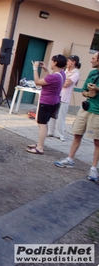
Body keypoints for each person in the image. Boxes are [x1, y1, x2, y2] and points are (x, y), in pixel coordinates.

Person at [54, 52, 99, 182]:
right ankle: (70, 159)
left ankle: (94, 168)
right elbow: (84, 90)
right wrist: (88, 93)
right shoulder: (92, 73)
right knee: (77, 134)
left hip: (97, 112)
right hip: (85, 109)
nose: (91, 61)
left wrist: (97, 89)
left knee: (97, 141)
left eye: (93, 58)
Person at [26, 54, 67, 154]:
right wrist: (46, 69)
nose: (51, 63)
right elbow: (49, 80)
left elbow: (38, 82)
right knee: (44, 123)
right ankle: (40, 143)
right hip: (53, 101)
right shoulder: (61, 74)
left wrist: (35, 69)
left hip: (47, 102)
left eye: (52, 61)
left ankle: (40, 147)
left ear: (55, 62)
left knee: (42, 124)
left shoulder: (54, 77)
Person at [48, 55, 81, 141]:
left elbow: (66, 84)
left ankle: (60, 134)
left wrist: (61, 81)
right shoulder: (65, 71)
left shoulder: (76, 73)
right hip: (57, 95)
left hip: (65, 97)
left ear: (73, 62)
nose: (67, 63)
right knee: (52, 115)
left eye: (68, 61)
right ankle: (50, 131)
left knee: (61, 117)